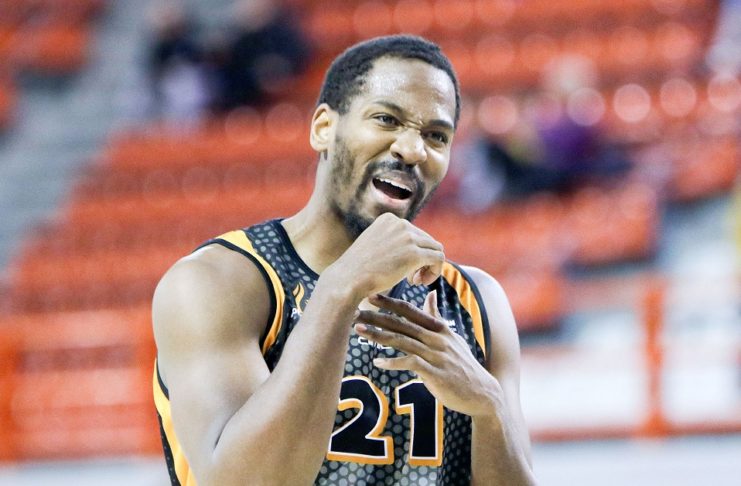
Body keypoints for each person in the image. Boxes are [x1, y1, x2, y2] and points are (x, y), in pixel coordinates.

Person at [152, 35, 536, 485]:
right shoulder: (221, 282)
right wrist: (339, 289)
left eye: (436, 136)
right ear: (323, 128)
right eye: (387, 119)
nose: (412, 149)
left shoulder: (475, 300)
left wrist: (488, 406)